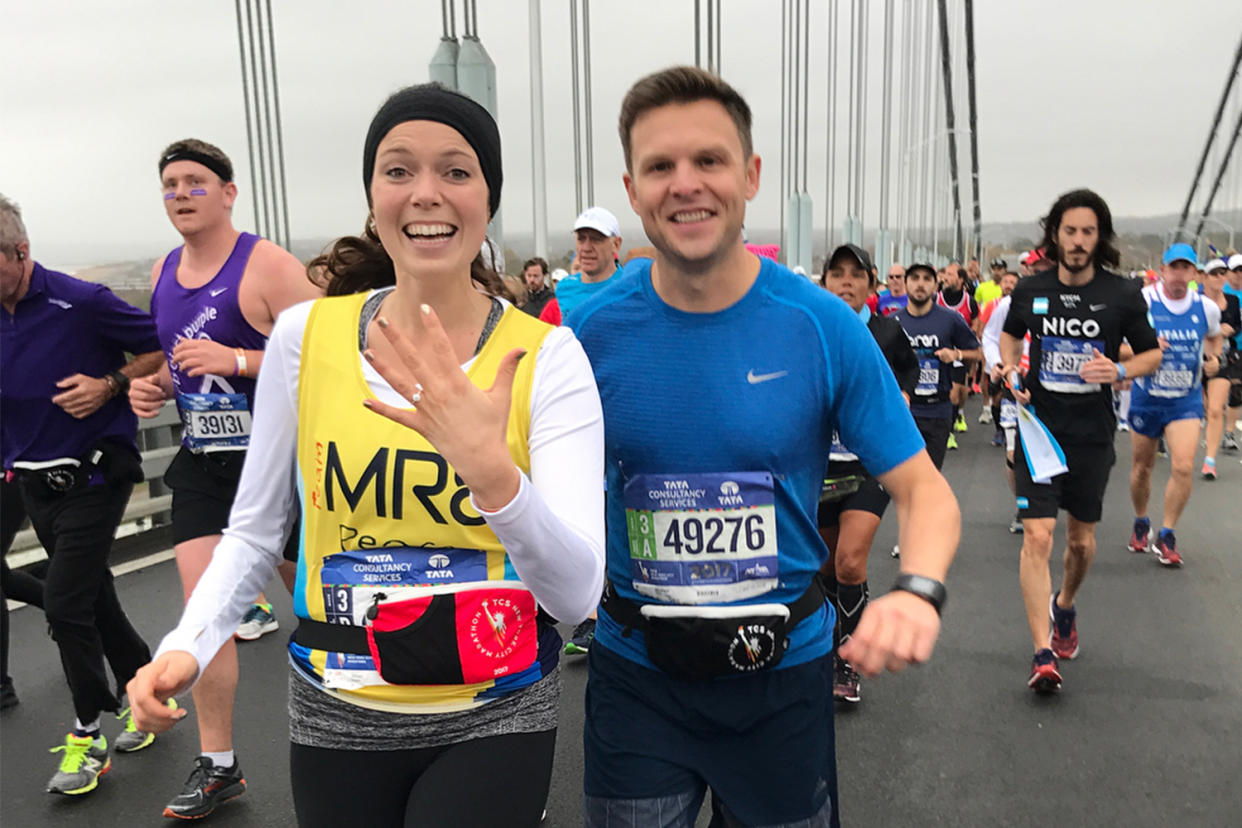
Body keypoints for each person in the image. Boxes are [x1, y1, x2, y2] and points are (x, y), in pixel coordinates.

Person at [126, 83, 605, 828]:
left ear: (487, 197)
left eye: (456, 170)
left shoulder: (547, 359)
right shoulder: (303, 338)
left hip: (495, 706)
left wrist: (494, 478)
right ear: (372, 193)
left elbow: (577, 600)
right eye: (397, 170)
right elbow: (255, 531)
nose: (425, 194)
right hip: (336, 706)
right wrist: (187, 643)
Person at [570, 66, 958, 827]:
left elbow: (924, 491)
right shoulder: (588, 334)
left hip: (783, 675)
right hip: (637, 676)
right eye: (660, 166)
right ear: (633, 186)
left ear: (749, 176)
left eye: (709, 161)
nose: (686, 184)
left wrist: (918, 589)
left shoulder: (821, 325)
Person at [127, 138, 322, 818]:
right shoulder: (162, 271)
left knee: (325, 610)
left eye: (196, 183)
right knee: (204, 613)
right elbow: (181, 367)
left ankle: (394, 731)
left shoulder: (266, 265)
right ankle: (218, 766)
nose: (181, 194)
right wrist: (151, 387)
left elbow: (328, 358)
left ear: (229, 192)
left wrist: (240, 360)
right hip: (206, 468)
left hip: (283, 468)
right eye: (170, 185)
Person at [0, 193, 167, 795]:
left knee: (66, 605)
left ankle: (87, 736)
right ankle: (146, 693)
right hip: (34, 482)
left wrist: (111, 383)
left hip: (96, 473)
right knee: (95, 601)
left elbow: (160, 346)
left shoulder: (82, 300)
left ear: (20, 251)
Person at [1001, 189, 1161, 694]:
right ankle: (1042, 651)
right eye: (1069, 231)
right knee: (1039, 535)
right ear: (1055, 235)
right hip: (1040, 430)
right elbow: (1010, 335)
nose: (1077, 241)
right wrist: (1009, 368)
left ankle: (1064, 605)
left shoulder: (1122, 294)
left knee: (1081, 543)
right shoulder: (1030, 291)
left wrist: (1119, 368)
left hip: (1092, 435)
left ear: (1100, 237)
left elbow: (1152, 355)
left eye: (1088, 232)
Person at [817, 244, 918, 704]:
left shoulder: (888, 333)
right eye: (837, 274)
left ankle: (848, 658)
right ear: (824, 283)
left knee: (850, 560)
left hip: (865, 466)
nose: (846, 282)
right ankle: (829, 638)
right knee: (824, 568)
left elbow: (909, 377)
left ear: (870, 285)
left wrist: (900, 398)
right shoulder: (809, 331)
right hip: (817, 469)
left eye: (856, 275)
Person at [1125, 244, 1222, 563]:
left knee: (1182, 465)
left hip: (1186, 399)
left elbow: (1214, 336)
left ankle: (1167, 534)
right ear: (1163, 270)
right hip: (1147, 394)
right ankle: (1142, 521)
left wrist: (1214, 359)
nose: (1179, 274)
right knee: (1142, 467)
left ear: (1195, 274)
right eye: (1173, 267)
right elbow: (1120, 345)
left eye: (1186, 268)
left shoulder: (1205, 307)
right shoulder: (1144, 302)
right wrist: (1145, 349)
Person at [897, 263, 982, 467]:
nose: (920, 284)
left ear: (936, 285)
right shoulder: (893, 322)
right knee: (904, 480)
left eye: (927, 279)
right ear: (906, 284)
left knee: (930, 477)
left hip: (938, 411)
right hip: (903, 412)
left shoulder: (949, 319)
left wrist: (956, 354)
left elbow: (979, 353)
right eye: (915, 278)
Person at [537, 206, 623, 326]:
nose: (586, 248)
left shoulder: (629, 287)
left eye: (596, 239)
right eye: (581, 239)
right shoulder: (564, 288)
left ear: (616, 244)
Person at [1199, 257, 1240, 478]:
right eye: (1214, 274)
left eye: (1223, 273)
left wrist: (1228, 330)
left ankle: (1210, 461)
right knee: (1204, 407)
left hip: (1223, 357)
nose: (1219, 278)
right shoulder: (1195, 301)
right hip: (1195, 359)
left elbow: (1238, 325)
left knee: (1216, 409)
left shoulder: (1232, 301)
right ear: (1204, 277)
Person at [937, 262, 980, 436]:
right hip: (941, 352)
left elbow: (976, 327)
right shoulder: (937, 299)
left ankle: (958, 415)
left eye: (950, 274)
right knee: (950, 393)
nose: (945, 278)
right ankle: (949, 433)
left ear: (961, 279)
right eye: (945, 274)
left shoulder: (969, 302)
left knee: (959, 393)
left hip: (960, 353)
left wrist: (967, 337)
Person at [977, 271, 1019, 439]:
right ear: (1001, 285)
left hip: (1016, 361)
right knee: (997, 398)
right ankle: (999, 427)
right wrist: (990, 356)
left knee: (1007, 395)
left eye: (1013, 282)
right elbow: (986, 331)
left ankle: (1009, 431)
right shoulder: (996, 305)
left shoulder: (1022, 303)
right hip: (996, 358)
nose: (1009, 285)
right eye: (1006, 282)